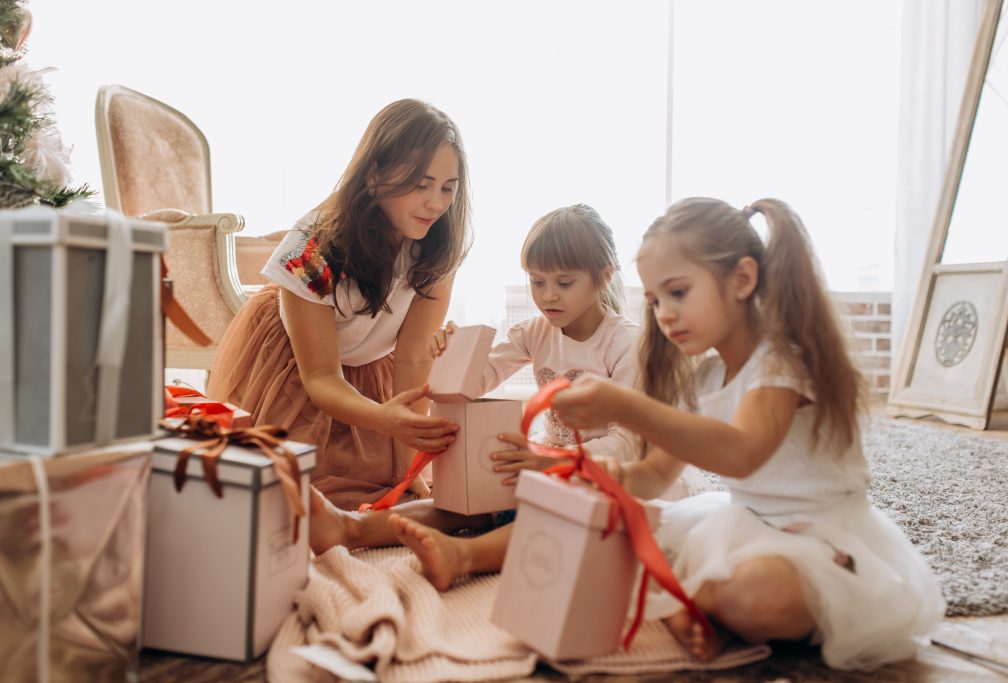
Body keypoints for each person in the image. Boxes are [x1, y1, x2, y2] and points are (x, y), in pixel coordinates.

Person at [550, 197, 944, 671]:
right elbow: (655, 477)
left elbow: (741, 455)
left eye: (678, 292)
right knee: (609, 528)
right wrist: (601, 474)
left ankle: (684, 598)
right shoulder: (704, 379)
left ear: (741, 279)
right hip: (740, 523)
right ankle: (472, 555)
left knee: (761, 595)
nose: (664, 315)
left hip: (821, 537)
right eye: (655, 301)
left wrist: (626, 405)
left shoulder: (782, 363)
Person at [310, 204, 712, 589]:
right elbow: (476, 382)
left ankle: (464, 555)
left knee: (549, 512)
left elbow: (629, 444)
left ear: (603, 277)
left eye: (564, 283)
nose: (548, 296)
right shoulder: (535, 331)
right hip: (550, 460)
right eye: (537, 282)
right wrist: (449, 354)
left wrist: (549, 464)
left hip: (607, 470)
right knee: (471, 497)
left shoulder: (624, 343)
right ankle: (351, 528)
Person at [206, 99, 471, 511]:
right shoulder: (312, 247)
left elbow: (414, 356)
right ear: (376, 173)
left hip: (369, 366)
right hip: (296, 365)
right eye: (421, 184)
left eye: (448, 188)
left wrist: (409, 466)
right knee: (291, 498)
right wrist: (382, 419)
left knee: (399, 489)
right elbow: (321, 377)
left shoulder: (437, 247)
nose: (436, 203)